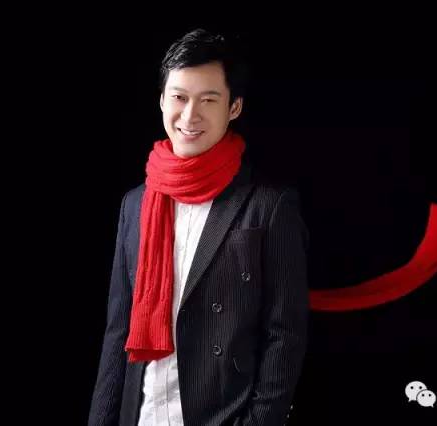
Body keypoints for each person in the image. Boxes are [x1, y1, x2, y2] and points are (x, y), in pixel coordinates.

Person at [88, 28, 309, 426]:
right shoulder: (135, 203)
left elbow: (285, 334)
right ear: (161, 100)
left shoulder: (269, 205)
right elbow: (118, 330)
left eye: (208, 100)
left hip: (221, 415)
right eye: (179, 98)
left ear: (234, 107)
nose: (190, 116)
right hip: (142, 414)